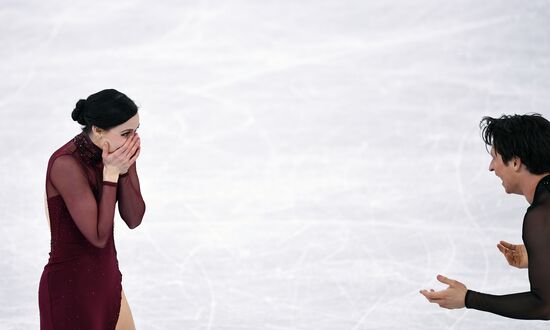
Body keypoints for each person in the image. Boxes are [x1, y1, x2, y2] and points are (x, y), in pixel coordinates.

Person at [419, 113, 550, 320]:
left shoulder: (541, 216)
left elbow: (545, 306)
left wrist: (469, 298)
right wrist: (540, 256)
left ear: (515, 162)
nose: (491, 167)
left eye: (494, 157)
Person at [38, 89, 146, 329]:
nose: (132, 141)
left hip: (107, 281)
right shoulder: (65, 163)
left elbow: (134, 218)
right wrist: (110, 176)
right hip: (71, 289)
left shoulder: (117, 157)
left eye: (136, 131)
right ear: (97, 130)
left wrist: (125, 170)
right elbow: (98, 236)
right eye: (126, 133)